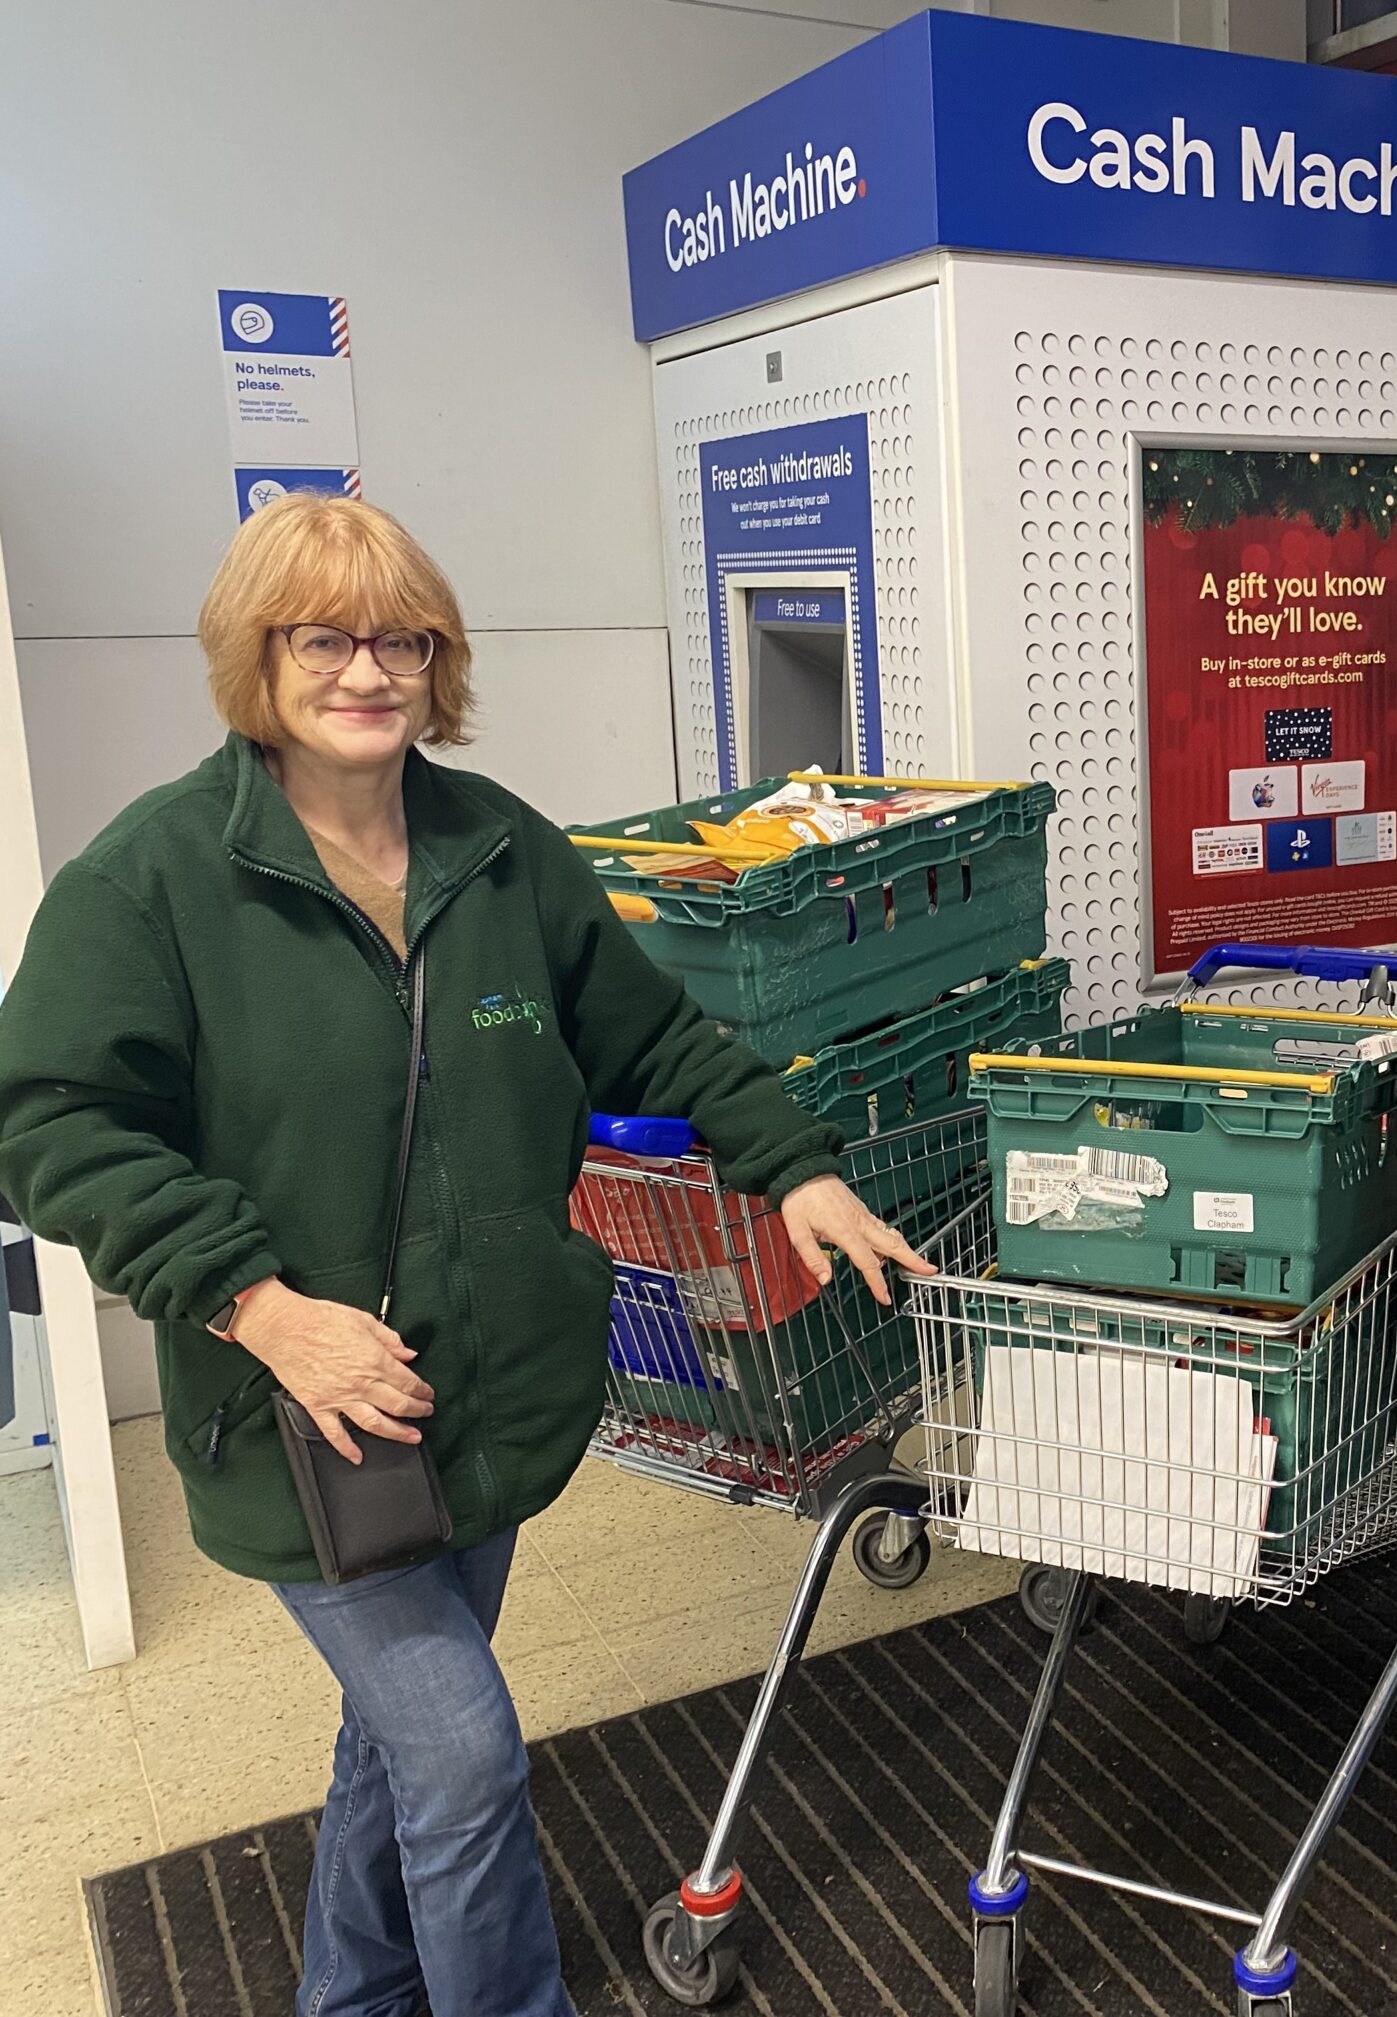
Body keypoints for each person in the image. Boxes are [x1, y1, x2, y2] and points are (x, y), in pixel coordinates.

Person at [0, 494, 931, 2017]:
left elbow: (659, 1034)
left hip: (486, 1401)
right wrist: (263, 1306)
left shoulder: (502, 852)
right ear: (257, 652)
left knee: (401, 1750)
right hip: (312, 1420)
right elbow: (46, 1124)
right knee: (466, 1753)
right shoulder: (151, 881)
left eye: (404, 638)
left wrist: (798, 1168)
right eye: (326, 636)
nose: (370, 669)